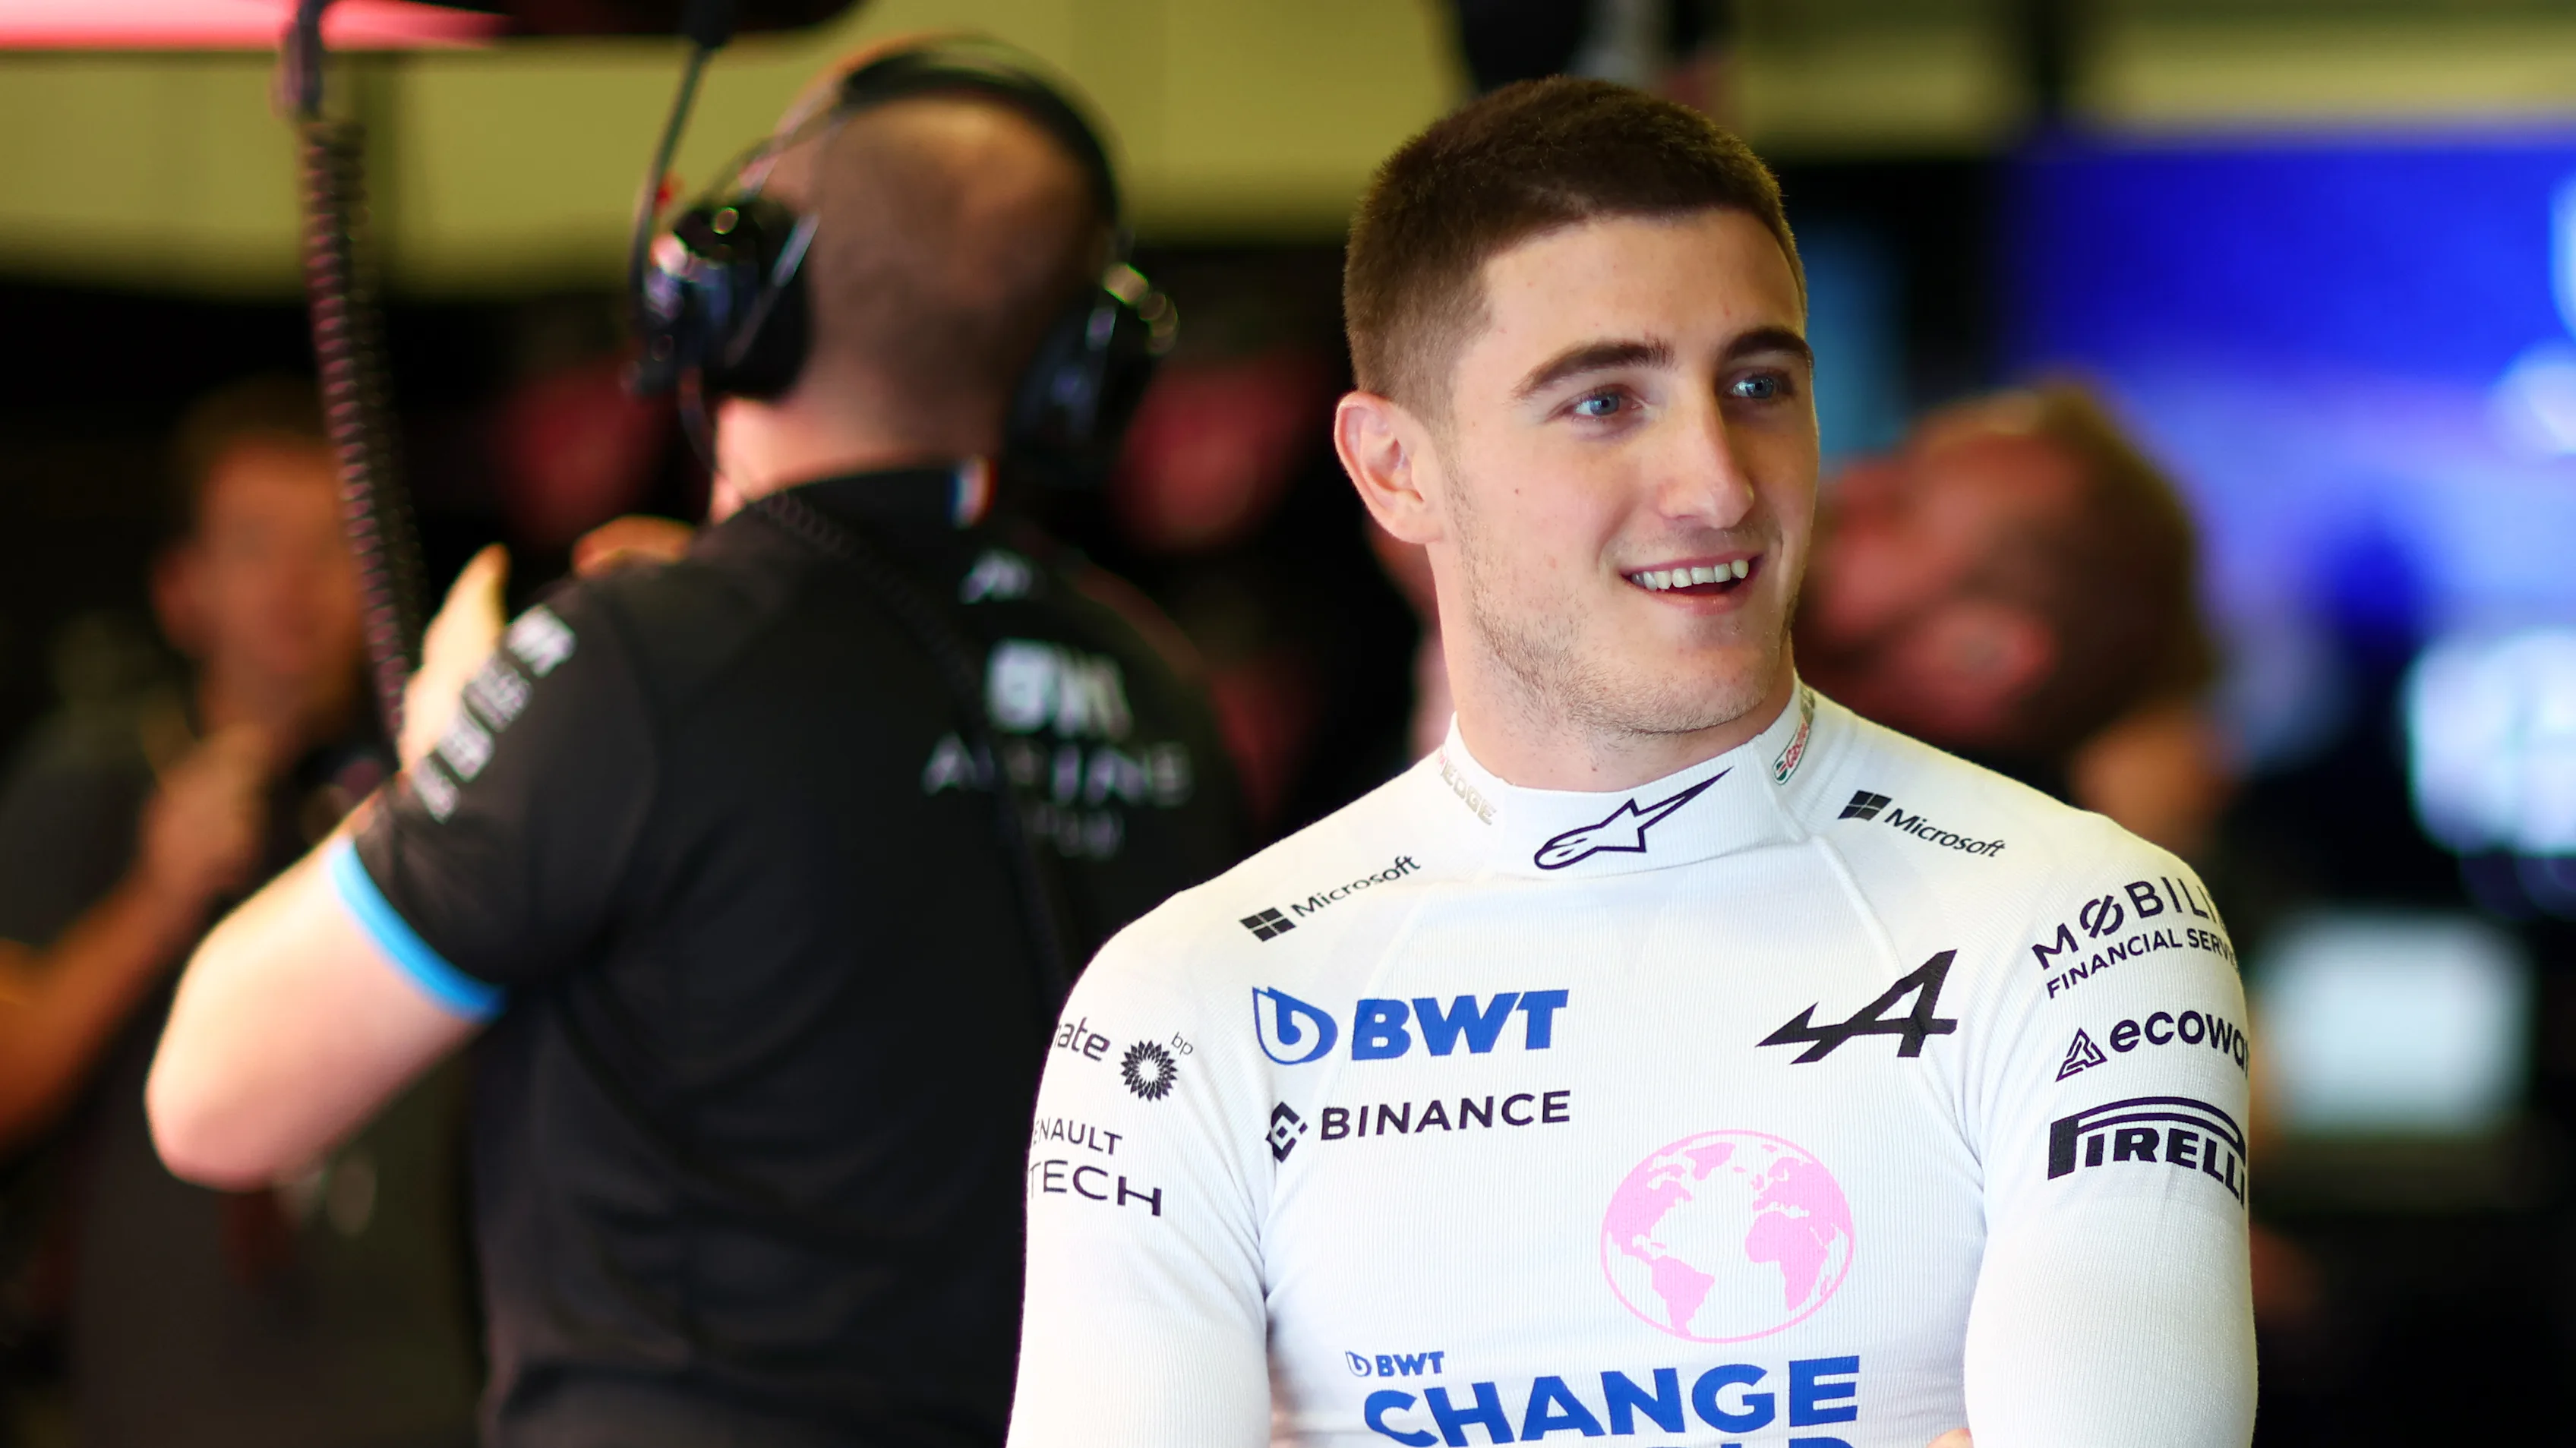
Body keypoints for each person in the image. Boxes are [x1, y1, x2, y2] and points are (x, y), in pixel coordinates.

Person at [1006, 77, 2253, 1448]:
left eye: (1759, 383)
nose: (1718, 480)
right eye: (1604, 401)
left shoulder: (2082, 917)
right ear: (1394, 470)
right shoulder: (1181, 1000)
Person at [144, 44, 1239, 1448]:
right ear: (1072, 367)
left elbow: (216, 1097)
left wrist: (457, 748)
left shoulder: (636, 660)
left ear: (733, 301)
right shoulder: (1151, 679)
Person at [0, 377, 477, 1447]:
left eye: (330, 544)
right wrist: (153, 902)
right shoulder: (96, 777)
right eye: (256, 543)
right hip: (160, 1408)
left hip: (409, 1402)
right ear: (183, 587)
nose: (294, 586)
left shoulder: (426, 790)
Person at [1797, 384, 2230, 856]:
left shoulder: (1940, 899)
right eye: (1891, 457)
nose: (1848, 480)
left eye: (1899, 507)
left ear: (1979, 654)